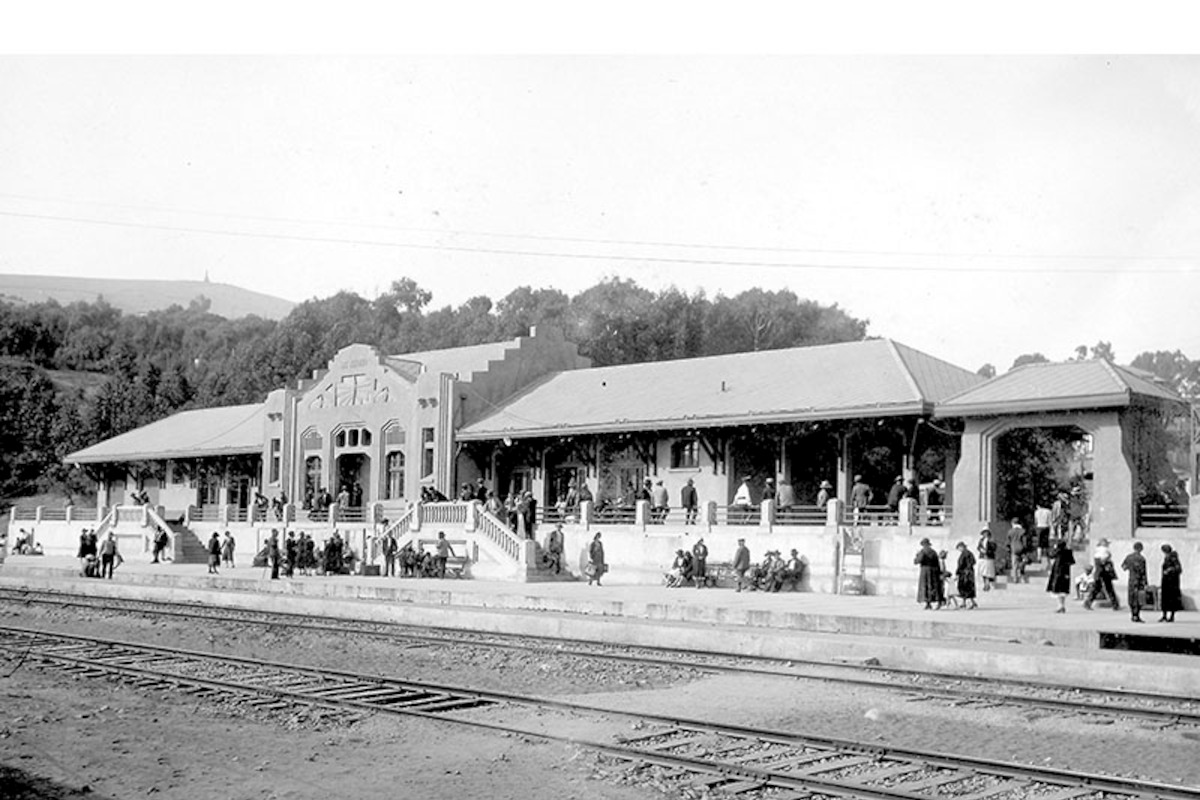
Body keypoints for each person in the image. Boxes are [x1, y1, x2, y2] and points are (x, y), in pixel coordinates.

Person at [1083, 538, 1119, 611]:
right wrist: (1108, 558)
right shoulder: (1104, 550)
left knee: (1097, 588)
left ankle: (1088, 602)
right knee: (1108, 588)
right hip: (1104, 573)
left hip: (1099, 573)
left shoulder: (1098, 551)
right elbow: (1103, 561)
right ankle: (1115, 604)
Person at [1121, 541, 1147, 623]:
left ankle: (1133, 615)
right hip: (1139, 580)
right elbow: (1144, 572)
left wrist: (1131, 568)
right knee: (1139, 598)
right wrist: (1145, 582)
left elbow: (1124, 567)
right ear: (1141, 549)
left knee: (1131, 597)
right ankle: (1137, 615)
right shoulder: (1142, 559)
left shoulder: (1129, 557)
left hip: (1131, 579)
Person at [1045, 539, 1075, 613]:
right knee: (1063, 589)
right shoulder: (1068, 551)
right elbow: (1072, 562)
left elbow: (1051, 555)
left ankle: (1060, 606)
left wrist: (1053, 548)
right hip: (1066, 572)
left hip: (1058, 571)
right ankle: (1062, 605)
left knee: (1058, 589)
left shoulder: (1059, 551)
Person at [914, 537, 941, 610]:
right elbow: (937, 563)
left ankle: (928, 603)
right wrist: (939, 572)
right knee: (932, 586)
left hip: (925, 571)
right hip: (933, 571)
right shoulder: (933, 552)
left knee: (925, 586)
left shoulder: (922, 551)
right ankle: (935, 602)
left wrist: (916, 556)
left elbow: (918, 561)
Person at [1160, 543, 1183, 622]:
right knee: (1165, 599)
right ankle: (1164, 615)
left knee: (1172, 599)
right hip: (1166, 582)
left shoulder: (1174, 558)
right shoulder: (1167, 558)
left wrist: (1169, 570)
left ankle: (1171, 616)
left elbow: (1178, 569)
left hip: (1172, 583)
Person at [955, 541, 977, 609]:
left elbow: (961, 564)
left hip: (965, 573)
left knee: (966, 587)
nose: (959, 550)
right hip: (968, 572)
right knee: (966, 588)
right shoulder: (969, 553)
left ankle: (972, 603)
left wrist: (957, 572)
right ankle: (965, 603)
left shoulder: (965, 554)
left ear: (962, 547)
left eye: (959, 548)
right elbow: (974, 561)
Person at [1007, 518, 1027, 583]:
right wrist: (1025, 548)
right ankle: (1022, 576)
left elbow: (1008, 542)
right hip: (1021, 549)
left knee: (1014, 564)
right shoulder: (1023, 531)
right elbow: (1025, 541)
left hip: (1014, 549)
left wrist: (1008, 548)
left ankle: (1015, 579)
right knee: (1023, 562)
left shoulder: (1010, 531)